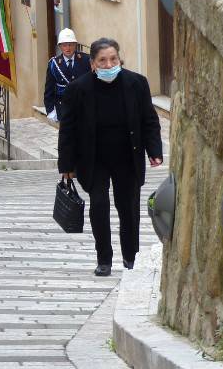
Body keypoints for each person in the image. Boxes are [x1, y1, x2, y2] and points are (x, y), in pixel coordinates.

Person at [58, 38, 162, 276]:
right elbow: (68, 129)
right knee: (100, 205)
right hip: (94, 159)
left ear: (119, 59)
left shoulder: (136, 83)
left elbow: (149, 119)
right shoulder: (79, 89)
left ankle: (130, 256)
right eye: (102, 60)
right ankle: (104, 258)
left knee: (128, 208)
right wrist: (66, 165)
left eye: (113, 59)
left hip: (127, 156)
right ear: (92, 64)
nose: (109, 64)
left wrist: (154, 150)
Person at [44, 28, 90, 123]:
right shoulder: (54, 64)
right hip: (63, 108)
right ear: (60, 46)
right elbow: (49, 90)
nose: (68, 48)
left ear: (75, 45)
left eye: (71, 45)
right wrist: (50, 111)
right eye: (64, 45)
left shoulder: (86, 60)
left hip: (84, 107)